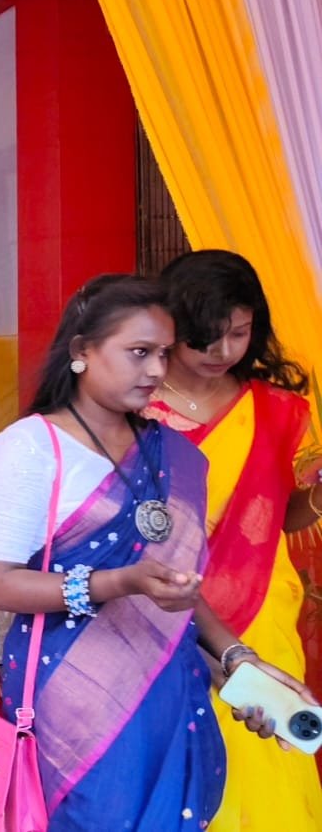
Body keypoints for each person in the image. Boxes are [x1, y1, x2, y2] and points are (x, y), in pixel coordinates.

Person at [0, 273, 313, 831]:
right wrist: (121, 582)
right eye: (138, 353)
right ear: (83, 351)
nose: (156, 370)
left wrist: (238, 661)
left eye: (162, 353)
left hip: (169, 692)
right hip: (70, 698)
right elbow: (0, 584)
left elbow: (178, 586)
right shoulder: (31, 446)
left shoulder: (173, 453)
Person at [144, 250, 322, 830]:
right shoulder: (132, 406)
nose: (223, 351)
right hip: (155, 604)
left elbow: (278, 519)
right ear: (171, 328)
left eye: (239, 334)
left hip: (262, 604)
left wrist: (319, 496)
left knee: (266, 750)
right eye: (206, 337)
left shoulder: (276, 409)